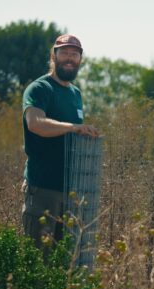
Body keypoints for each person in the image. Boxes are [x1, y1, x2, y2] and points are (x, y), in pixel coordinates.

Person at [21, 34, 99, 251]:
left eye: (74, 54)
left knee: (65, 262)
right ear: (53, 56)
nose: (69, 58)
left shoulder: (75, 94)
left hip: (71, 192)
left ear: (80, 60)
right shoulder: (39, 88)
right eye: (64, 53)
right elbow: (35, 124)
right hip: (43, 190)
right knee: (38, 259)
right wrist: (73, 127)